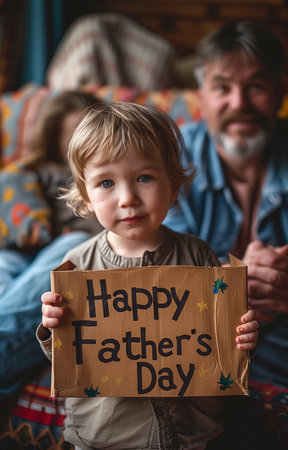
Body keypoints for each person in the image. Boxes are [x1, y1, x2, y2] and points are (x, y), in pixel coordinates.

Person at [38, 102, 258, 450]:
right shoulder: (76, 266)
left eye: (144, 178)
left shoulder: (198, 256)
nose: (128, 198)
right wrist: (53, 329)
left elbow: (221, 346)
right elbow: (70, 360)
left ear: (173, 185)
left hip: (194, 435)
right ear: (86, 196)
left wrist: (242, 336)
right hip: (104, 438)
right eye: (106, 182)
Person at [163, 21, 288, 448]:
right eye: (222, 88)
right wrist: (236, 282)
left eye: (255, 86)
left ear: (280, 92)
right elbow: (159, 267)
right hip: (186, 321)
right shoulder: (169, 158)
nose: (239, 102)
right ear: (201, 98)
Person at [0, 90, 103, 399]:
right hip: (19, 254)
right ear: (54, 138)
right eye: (74, 136)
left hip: (67, 250)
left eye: (93, 133)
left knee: (72, 244)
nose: (86, 144)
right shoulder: (35, 172)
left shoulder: (107, 178)